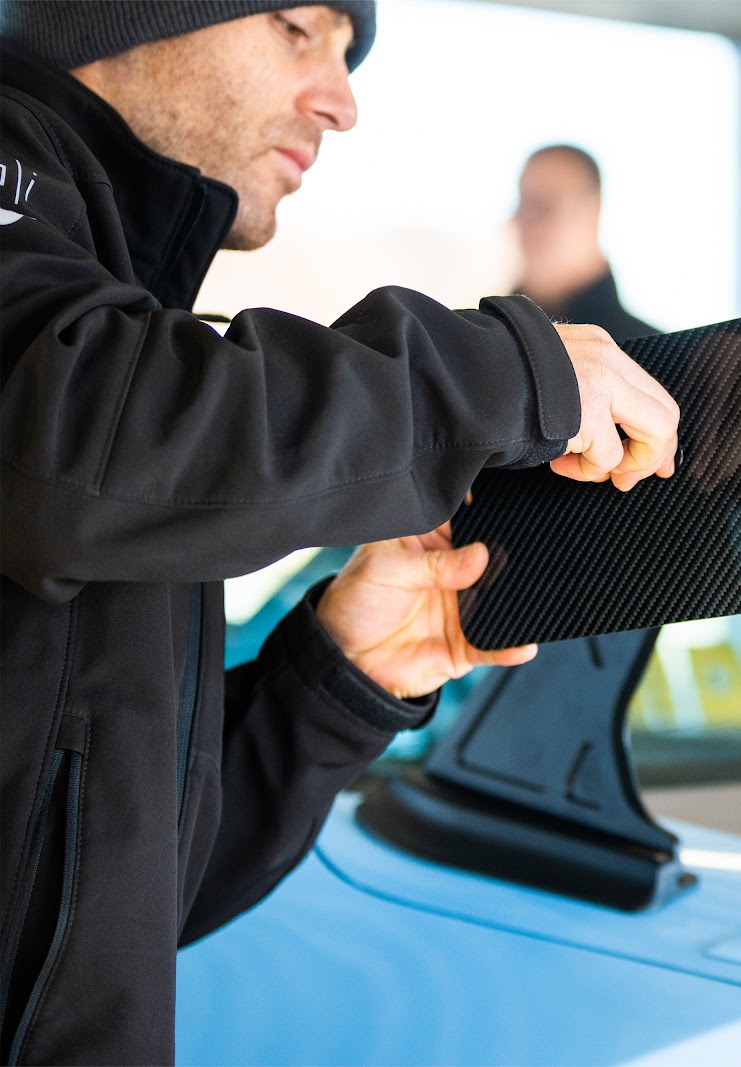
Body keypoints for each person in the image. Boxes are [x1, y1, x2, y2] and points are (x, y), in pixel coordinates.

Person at [0, 4, 680, 1063]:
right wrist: (497, 372)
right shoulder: (84, 342)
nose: (342, 99)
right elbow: (69, 435)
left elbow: (109, 909)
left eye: (349, 55)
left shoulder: (121, 326)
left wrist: (336, 678)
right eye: (297, 28)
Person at [513, 143, 657, 341]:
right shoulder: (487, 339)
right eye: (523, 202)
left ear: (593, 211)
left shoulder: (647, 355)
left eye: (546, 205)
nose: (527, 219)